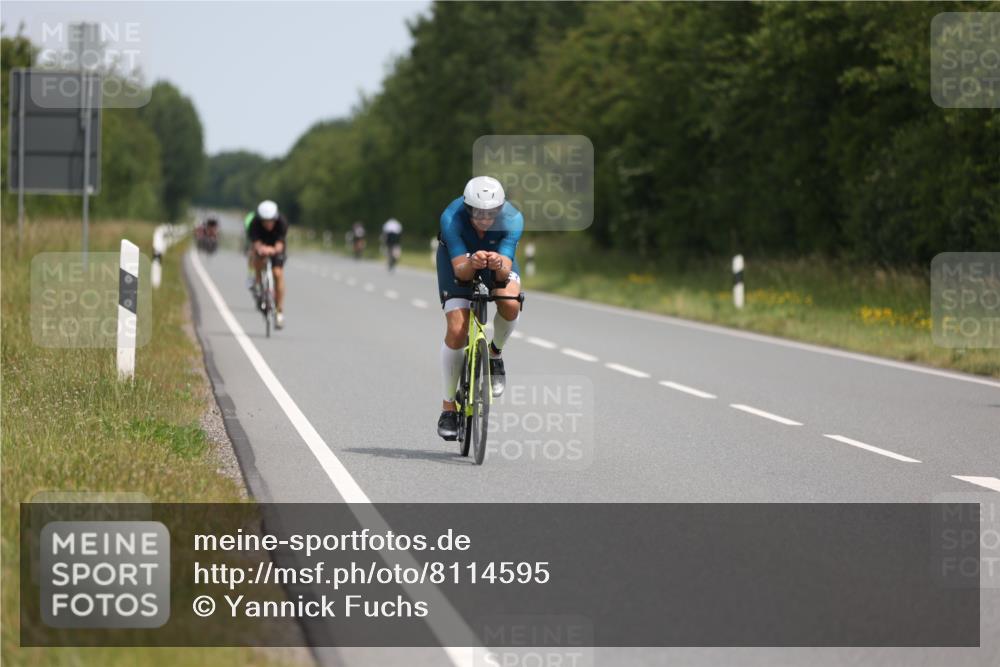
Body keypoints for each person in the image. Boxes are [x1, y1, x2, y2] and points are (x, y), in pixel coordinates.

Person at [436, 176, 523, 440]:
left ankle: (495, 354)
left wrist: (498, 264)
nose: (484, 219)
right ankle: (448, 407)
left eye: (491, 213)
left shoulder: (513, 218)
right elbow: (461, 272)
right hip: (459, 263)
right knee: (458, 329)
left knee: (509, 304)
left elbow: (504, 272)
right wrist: (473, 262)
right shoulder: (452, 217)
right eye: (477, 213)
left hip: (496, 263)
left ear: (501, 209)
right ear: (466, 207)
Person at [247, 200, 289, 329]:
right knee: (257, 260)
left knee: (277, 273)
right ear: (260, 219)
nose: (268, 223)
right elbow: (255, 242)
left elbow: (280, 244)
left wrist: (273, 250)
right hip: (261, 244)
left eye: (271, 220)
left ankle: (279, 311)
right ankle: (259, 284)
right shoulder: (254, 224)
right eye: (265, 220)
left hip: (276, 246)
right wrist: (261, 249)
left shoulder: (282, 222)